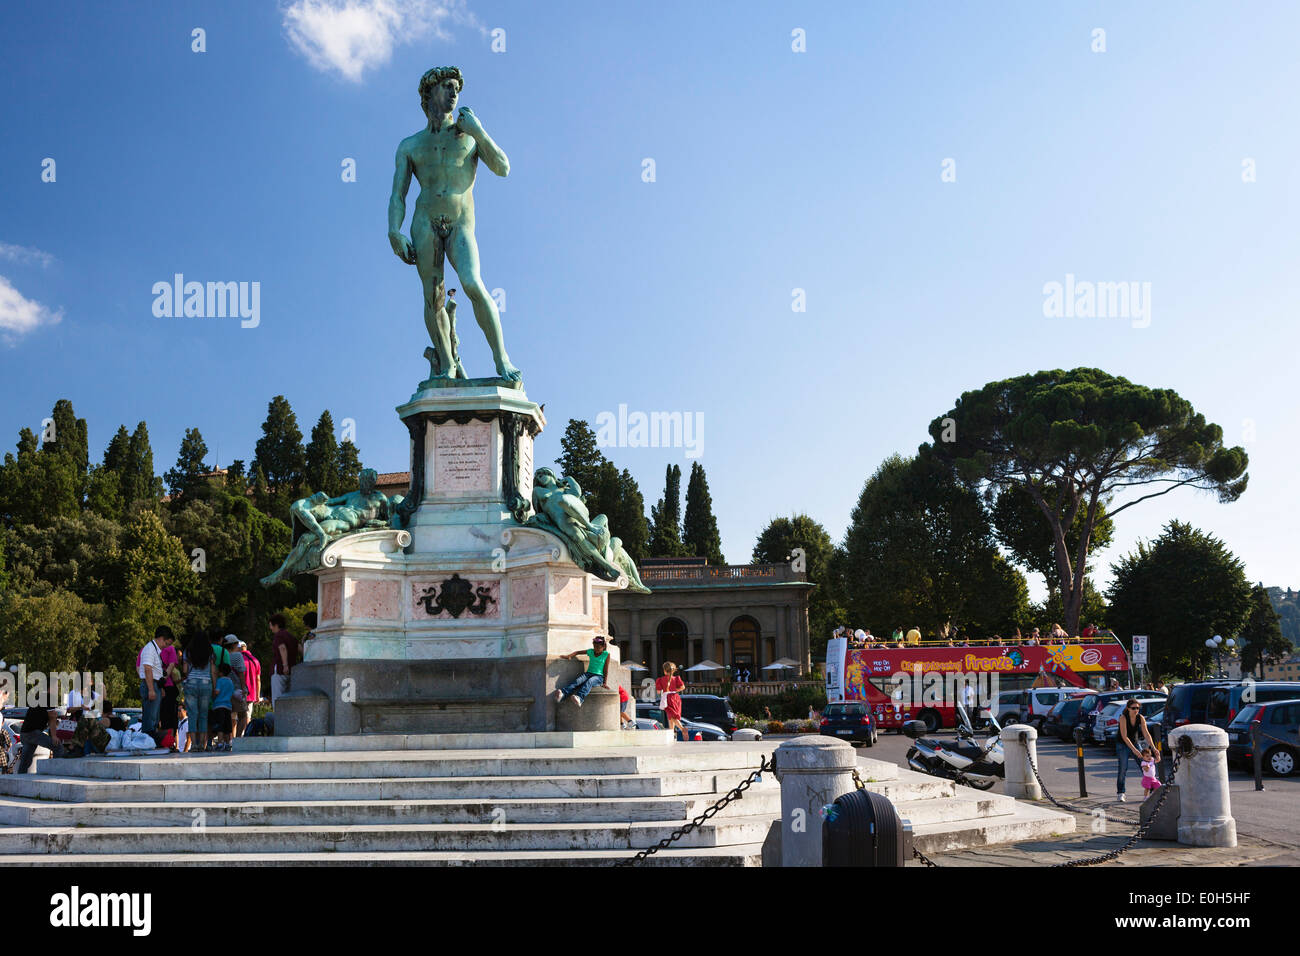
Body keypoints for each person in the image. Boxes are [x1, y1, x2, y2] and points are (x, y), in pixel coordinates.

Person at [1115, 698, 1156, 802]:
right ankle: (1121, 792)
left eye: (1137, 708)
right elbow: (1124, 736)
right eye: (1133, 708)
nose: (1136, 710)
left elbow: (1146, 733)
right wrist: (1134, 750)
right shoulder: (1123, 718)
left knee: (1145, 765)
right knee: (1123, 768)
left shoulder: (1140, 718)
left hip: (1134, 742)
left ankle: (1151, 789)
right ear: (1128, 708)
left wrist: (1153, 747)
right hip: (1122, 744)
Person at [182, 631, 217, 753]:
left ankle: (194, 745)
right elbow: (213, 671)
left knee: (192, 714)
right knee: (203, 715)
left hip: (191, 683)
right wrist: (214, 687)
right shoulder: (210, 652)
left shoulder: (188, 651)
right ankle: (202, 744)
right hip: (206, 683)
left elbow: (185, 670)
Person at [554, 635, 611, 706]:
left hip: (599, 677)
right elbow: (577, 652)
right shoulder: (591, 651)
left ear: (603, 647)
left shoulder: (606, 654)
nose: (596, 649)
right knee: (577, 681)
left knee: (589, 682)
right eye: (594, 646)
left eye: (598, 647)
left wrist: (605, 682)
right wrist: (569, 656)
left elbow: (606, 669)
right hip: (588, 673)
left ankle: (580, 698)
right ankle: (563, 693)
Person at [138, 626, 172, 735]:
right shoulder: (149, 649)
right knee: (150, 718)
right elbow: (148, 669)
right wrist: (151, 690)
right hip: (150, 684)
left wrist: (159, 688)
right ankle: (147, 740)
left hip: (155, 684)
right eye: (166, 643)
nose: (165, 647)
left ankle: (150, 740)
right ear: (161, 638)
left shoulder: (155, 650)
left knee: (154, 718)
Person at [220, 635, 249, 737]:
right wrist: (244, 688)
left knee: (227, 716)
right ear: (233, 645)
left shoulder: (222, 655)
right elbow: (241, 673)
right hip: (237, 690)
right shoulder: (237, 656)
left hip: (224, 690)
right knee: (243, 714)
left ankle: (226, 740)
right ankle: (237, 738)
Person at [654, 662, 687, 742]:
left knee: (672, 716)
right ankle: (672, 735)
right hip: (676, 697)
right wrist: (674, 690)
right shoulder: (676, 678)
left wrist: (662, 690)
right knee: (671, 718)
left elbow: (658, 692)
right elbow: (683, 687)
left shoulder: (661, 679)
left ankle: (682, 729)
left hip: (668, 698)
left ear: (665, 671)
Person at [270, 613, 295, 705]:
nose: (270, 628)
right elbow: (300, 648)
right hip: (292, 671)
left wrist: (285, 665)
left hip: (279, 670)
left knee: (277, 699)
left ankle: (278, 719)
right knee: (287, 700)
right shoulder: (291, 636)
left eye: (271, 625)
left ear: (276, 625)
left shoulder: (279, 635)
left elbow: (282, 648)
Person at [210, 663, 235, 751]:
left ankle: (220, 743)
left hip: (219, 705)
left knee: (220, 725)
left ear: (220, 672)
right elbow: (232, 693)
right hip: (228, 706)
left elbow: (217, 691)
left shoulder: (220, 680)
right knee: (227, 726)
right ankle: (228, 743)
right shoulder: (230, 681)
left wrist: (212, 695)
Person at [239, 640, 262, 711]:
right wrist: (257, 695)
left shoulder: (237, 659)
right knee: (248, 716)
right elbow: (258, 679)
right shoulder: (255, 660)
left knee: (236, 717)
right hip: (251, 694)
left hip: (239, 693)